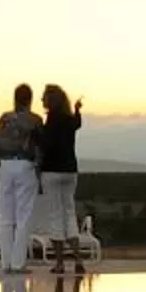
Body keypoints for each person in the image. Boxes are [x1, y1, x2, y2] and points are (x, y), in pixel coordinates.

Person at [0, 82, 41, 273]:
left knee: (5, 215)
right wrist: (38, 170)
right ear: (30, 100)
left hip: (5, 166)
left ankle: (6, 262)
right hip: (25, 165)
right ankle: (18, 262)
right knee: (23, 215)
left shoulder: (5, 119)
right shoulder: (35, 120)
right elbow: (40, 148)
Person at [35, 84, 87, 273]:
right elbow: (77, 124)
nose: (42, 101)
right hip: (70, 171)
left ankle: (59, 263)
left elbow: (47, 144)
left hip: (52, 171)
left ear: (51, 101)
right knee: (69, 213)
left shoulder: (52, 119)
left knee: (55, 216)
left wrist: (36, 135)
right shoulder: (69, 119)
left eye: (44, 98)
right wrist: (77, 109)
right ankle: (79, 260)